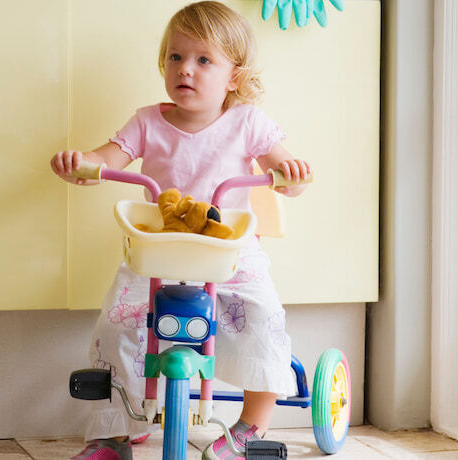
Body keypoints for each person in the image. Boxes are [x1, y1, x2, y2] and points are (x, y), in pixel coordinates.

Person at [50, 2, 310, 459]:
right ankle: (112, 433)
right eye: (175, 57)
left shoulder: (248, 121)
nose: (185, 69)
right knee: (118, 325)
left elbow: (282, 172)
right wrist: (81, 164)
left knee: (265, 320)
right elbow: (106, 161)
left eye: (203, 60)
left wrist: (290, 171)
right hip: (159, 252)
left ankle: (250, 428)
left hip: (230, 252)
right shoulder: (148, 120)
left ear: (234, 76)